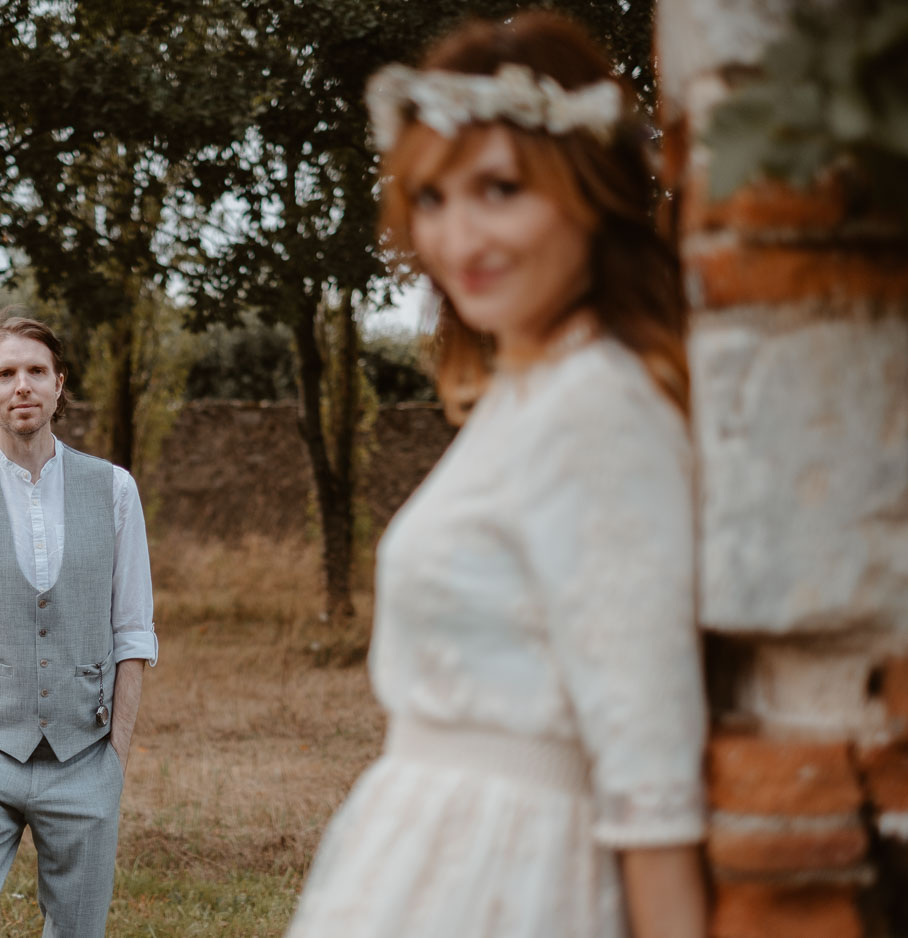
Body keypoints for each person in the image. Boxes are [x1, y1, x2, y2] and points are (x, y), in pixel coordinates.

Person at [286, 13, 708, 938]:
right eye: (432, 198)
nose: (458, 235)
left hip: (512, 879)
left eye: (500, 189)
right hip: (430, 861)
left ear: (590, 192)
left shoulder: (601, 404)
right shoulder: (526, 395)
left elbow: (651, 751)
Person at [0, 312, 157, 938]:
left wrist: (115, 758)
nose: (23, 386)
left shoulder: (115, 490)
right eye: (5, 373)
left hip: (86, 758)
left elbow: (133, 633)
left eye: (36, 371)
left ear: (59, 383)